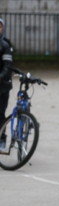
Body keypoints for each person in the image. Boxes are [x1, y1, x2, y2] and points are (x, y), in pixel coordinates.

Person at [0, 18, 13, 152]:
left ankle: (1, 139)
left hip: (2, 86)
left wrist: (1, 77)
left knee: (0, 113)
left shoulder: (5, 45)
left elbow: (7, 66)